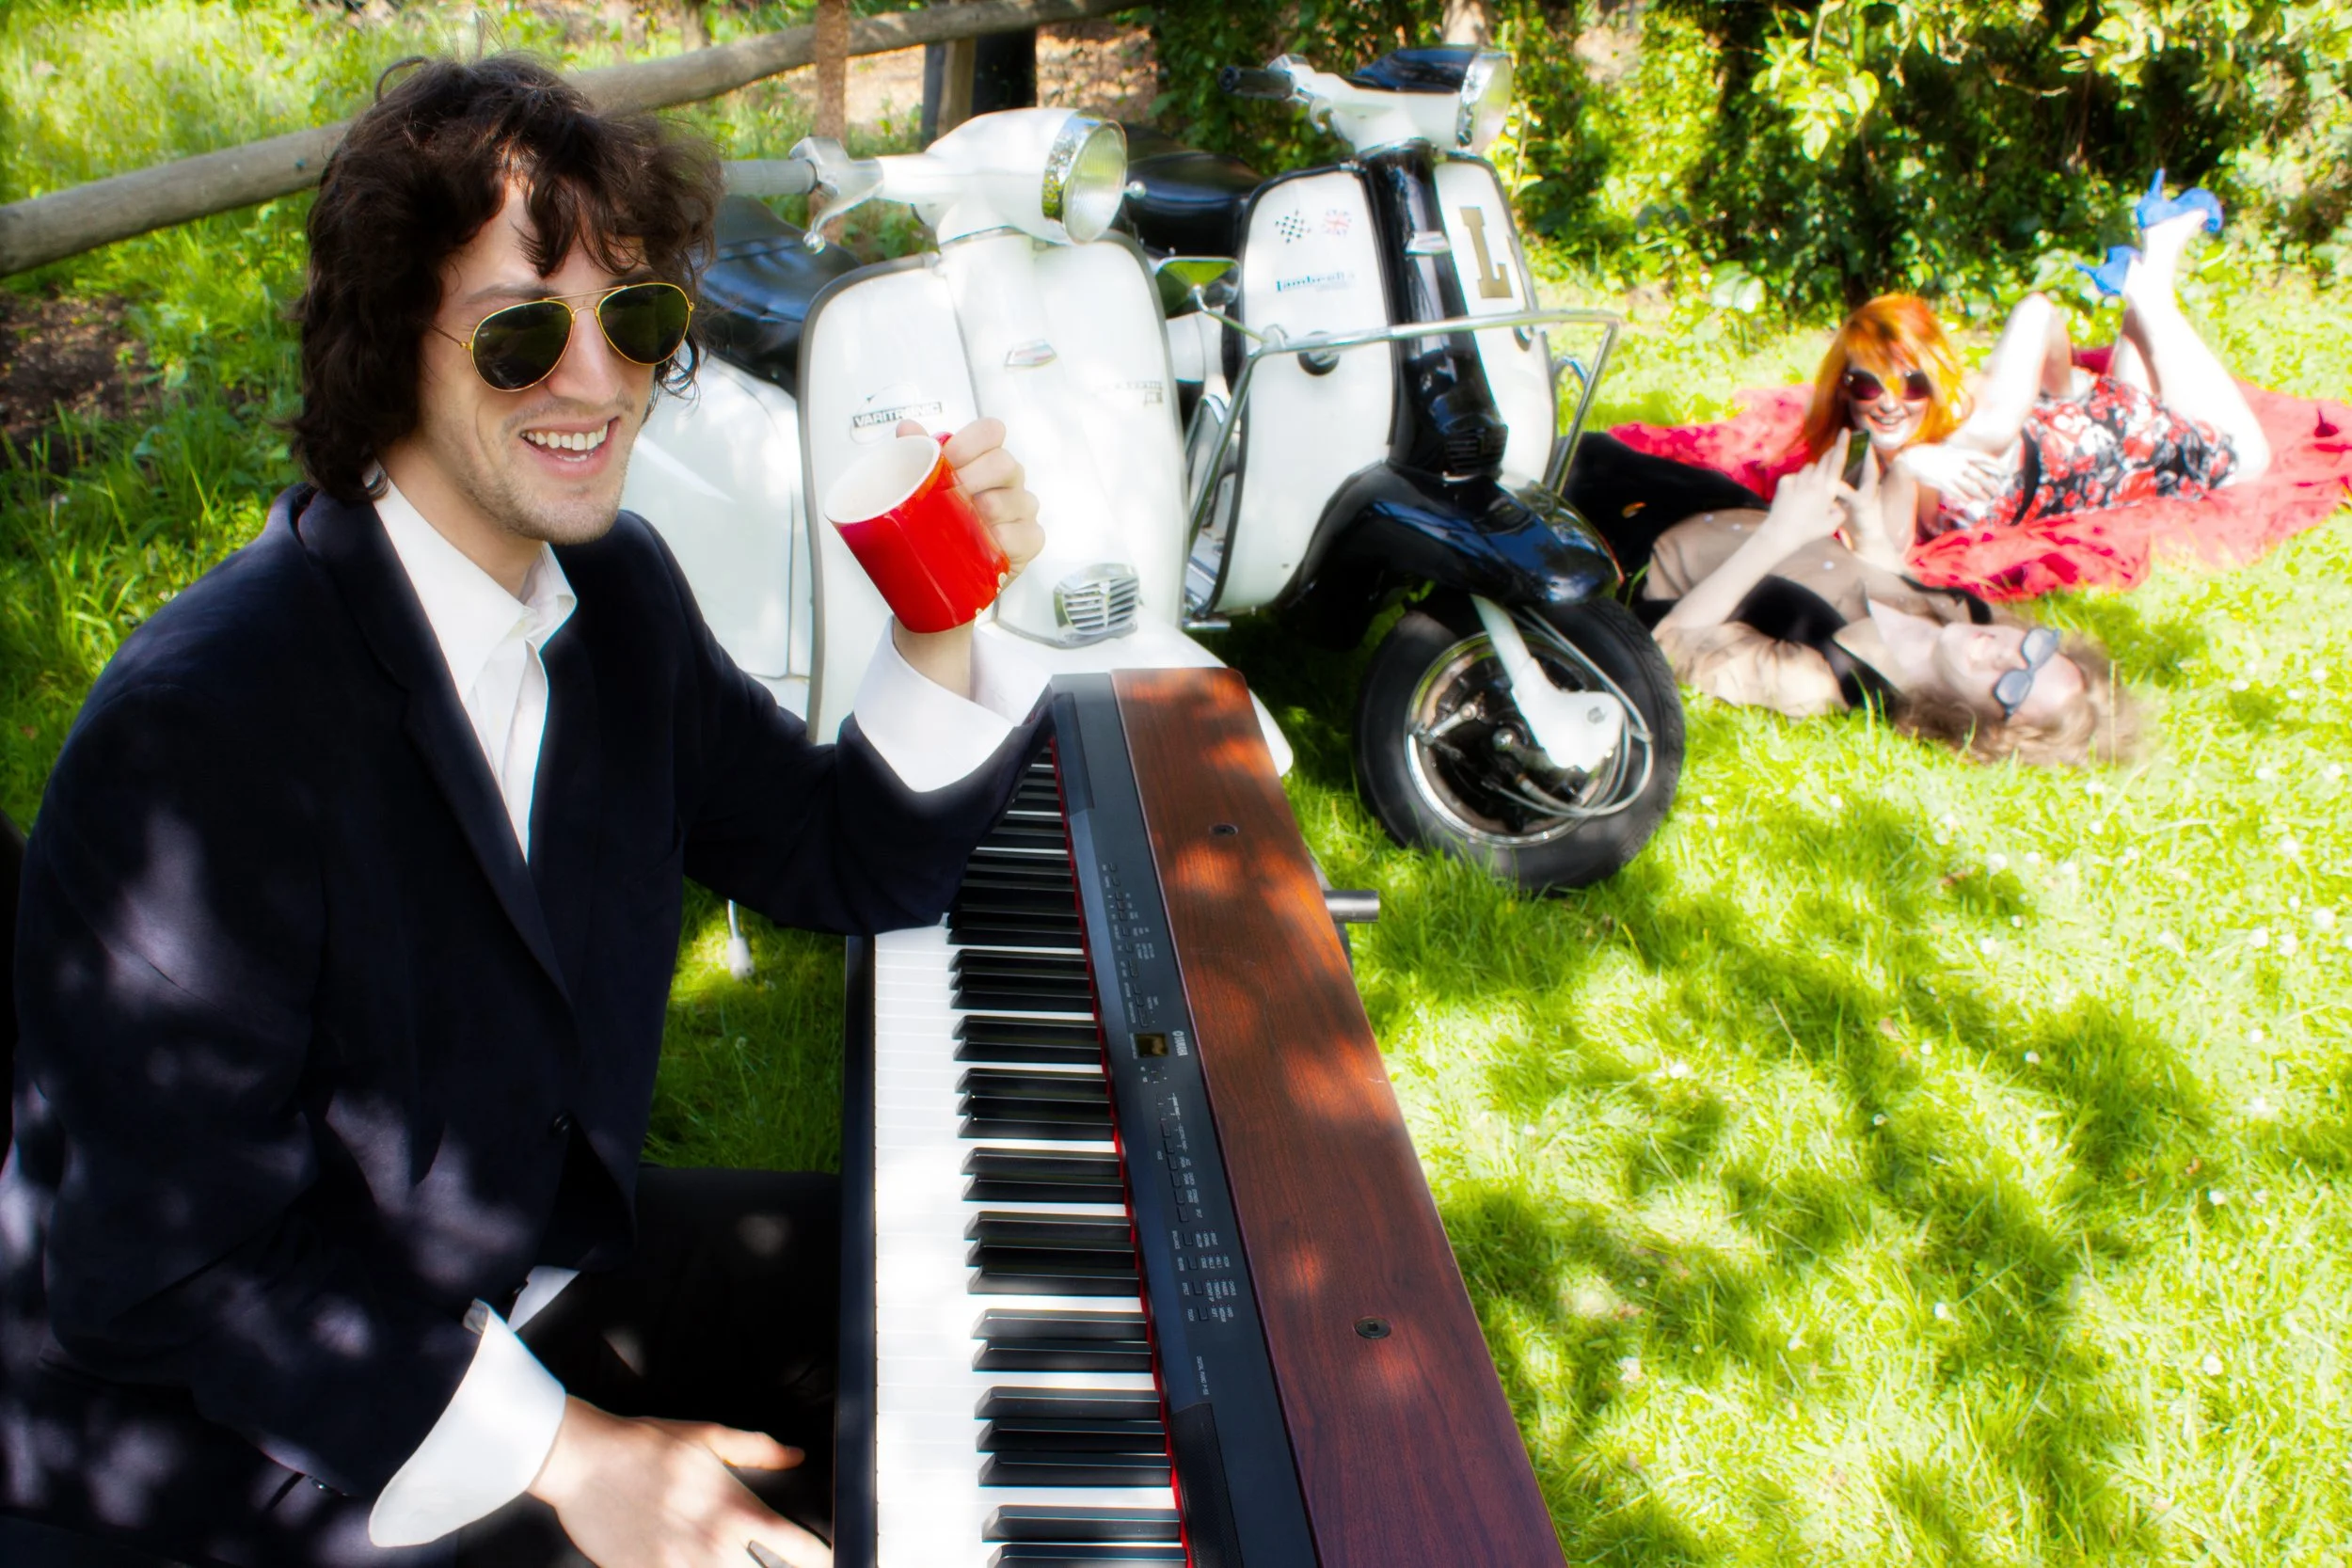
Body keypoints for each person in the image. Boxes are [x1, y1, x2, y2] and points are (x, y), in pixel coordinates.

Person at [1, 55, 1049, 1568]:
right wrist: (573, 1453)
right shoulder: (204, 730)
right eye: (520, 333)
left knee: (956, 1300)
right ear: (387, 345)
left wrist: (940, 608)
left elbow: (845, 856)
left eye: (636, 319)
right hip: (248, 1432)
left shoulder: (616, 599)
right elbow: (168, 1267)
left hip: (506, 1266)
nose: (598, 381)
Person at [1800, 178, 2274, 562]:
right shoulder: (1879, 461)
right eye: (1867, 385)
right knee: (2133, 388)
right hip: (2093, 428)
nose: (1888, 403)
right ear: (1843, 389)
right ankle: (2142, 276)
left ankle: (2151, 271)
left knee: (2250, 460)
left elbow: (2036, 311)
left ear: (1934, 382)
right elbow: (1882, 551)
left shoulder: (1983, 425)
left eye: (1911, 384)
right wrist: (1908, 465)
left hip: (2126, 438)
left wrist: (2068, 392)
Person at [1646, 433, 2136, 765]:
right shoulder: (1963, 614)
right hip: (1716, 499)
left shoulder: (1824, 680)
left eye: (2012, 686)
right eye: (2035, 650)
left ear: (1983, 726)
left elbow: (1670, 643)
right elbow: (1894, 578)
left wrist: (1779, 536)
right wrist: (1868, 527)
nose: (2005, 653)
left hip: (1636, 536)